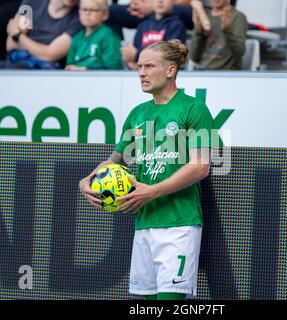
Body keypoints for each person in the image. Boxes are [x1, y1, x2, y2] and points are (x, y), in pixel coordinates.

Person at [79, 40, 214, 300]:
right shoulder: (137, 113)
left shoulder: (194, 108)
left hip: (179, 224)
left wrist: (151, 192)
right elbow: (115, 160)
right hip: (143, 224)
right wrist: (87, 179)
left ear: (170, 70)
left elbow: (200, 166)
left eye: (149, 66)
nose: (141, 72)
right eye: (139, 66)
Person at [0, 0, 81, 69]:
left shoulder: (79, 16)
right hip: (14, 64)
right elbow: (11, 45)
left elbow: (50, 55)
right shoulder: (31, 3)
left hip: (46, 73)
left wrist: (18, 35)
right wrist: (41, 50)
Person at [121, 0, 187, 70]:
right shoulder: (143, 25)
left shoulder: (176, 25)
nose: (160, 1)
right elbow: (133, 60)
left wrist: (136, 54)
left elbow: (170, 56)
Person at [189, 0, 247, 70]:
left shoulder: (237, 16)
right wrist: (198, 32)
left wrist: (227, 30)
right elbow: (193, 57)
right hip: (202, 72)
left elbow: (239, 52)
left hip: (226, 73)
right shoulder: (204, 17)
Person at [66, 0, 122, 70]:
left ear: (105, 14)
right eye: (84, 9)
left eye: (93, 10)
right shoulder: (76, 38)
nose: (87, 13)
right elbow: (69, 66)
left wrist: (85, 69)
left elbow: (113, 66)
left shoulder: (109, 36)